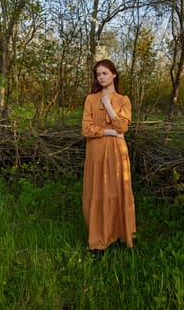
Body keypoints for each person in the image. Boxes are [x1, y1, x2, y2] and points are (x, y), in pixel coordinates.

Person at [82, 59, 136, 258]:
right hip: (96, 152)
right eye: (98, 74)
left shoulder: (123, 100)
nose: (101, 77)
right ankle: (98, 242)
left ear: (114, 74)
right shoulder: (90, 99)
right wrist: (110, 133)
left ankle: (120, 234)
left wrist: (108, 105)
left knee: (117, 191)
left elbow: (123, 128)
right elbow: (86, 129)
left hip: (116, 154)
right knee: (97, 193)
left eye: (104, 73)